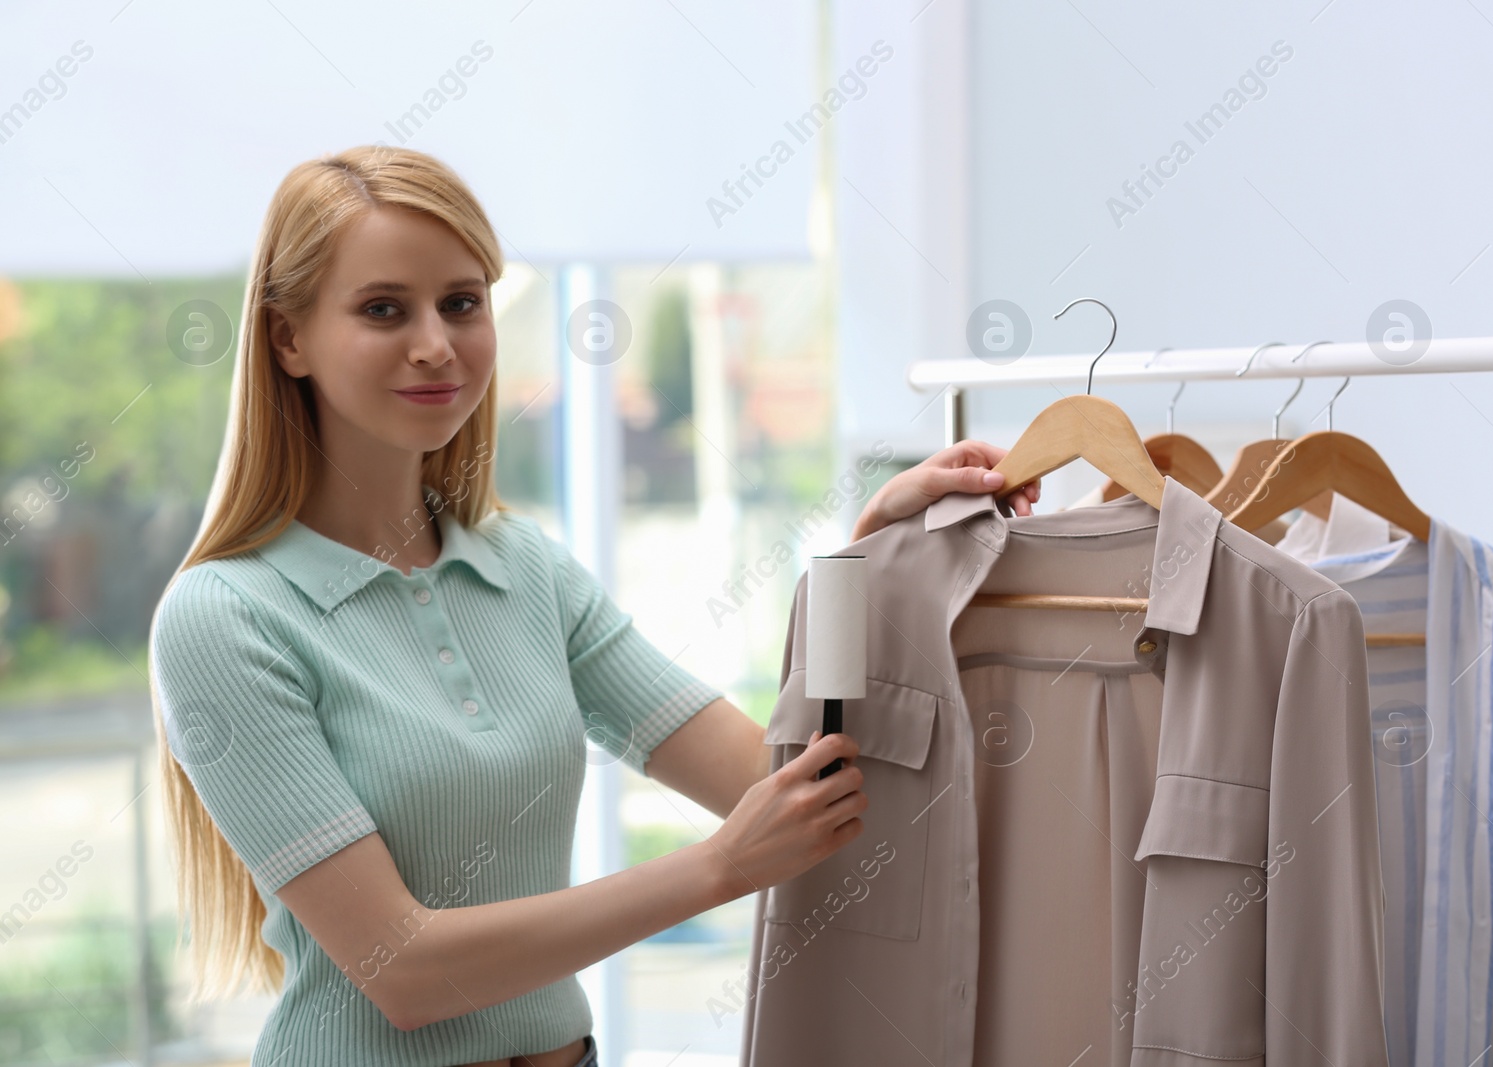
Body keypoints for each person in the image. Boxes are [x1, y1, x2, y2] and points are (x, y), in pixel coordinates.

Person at [147, 145, 1041, 1067]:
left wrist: (872, 561)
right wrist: (720, 867)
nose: (436, 343)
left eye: (462, 302)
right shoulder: (226, 619)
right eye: (384, 309)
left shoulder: (523, 569)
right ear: (287, 338)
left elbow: (786, 784)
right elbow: (402, 969)